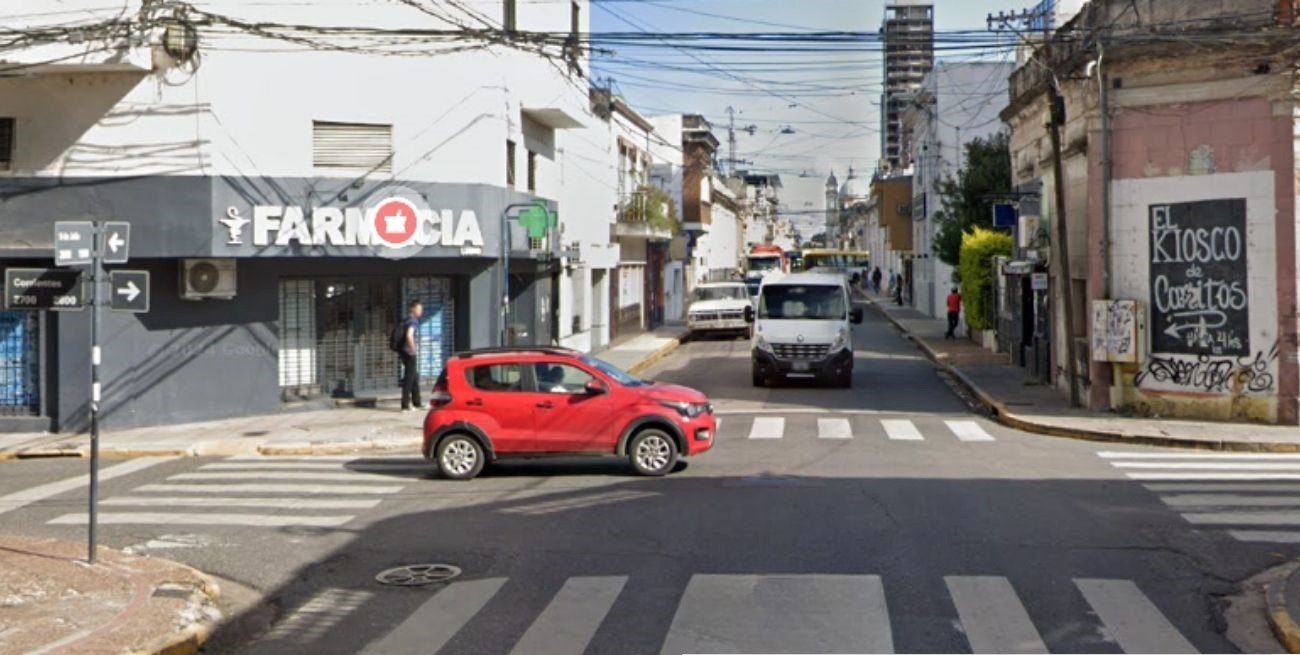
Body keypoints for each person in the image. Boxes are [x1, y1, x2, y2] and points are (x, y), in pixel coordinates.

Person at [399, 300, 424, 411]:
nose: (420, 311)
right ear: (412, 309)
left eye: (421, 309)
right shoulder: (413, 321)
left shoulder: (406, 320)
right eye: (418, 309)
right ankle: (405, 405)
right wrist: (413, 349)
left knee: (414, 376)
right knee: (409, 378)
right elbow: (409, 335)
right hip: (409, 352)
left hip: (404, 351)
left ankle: (417, 402)